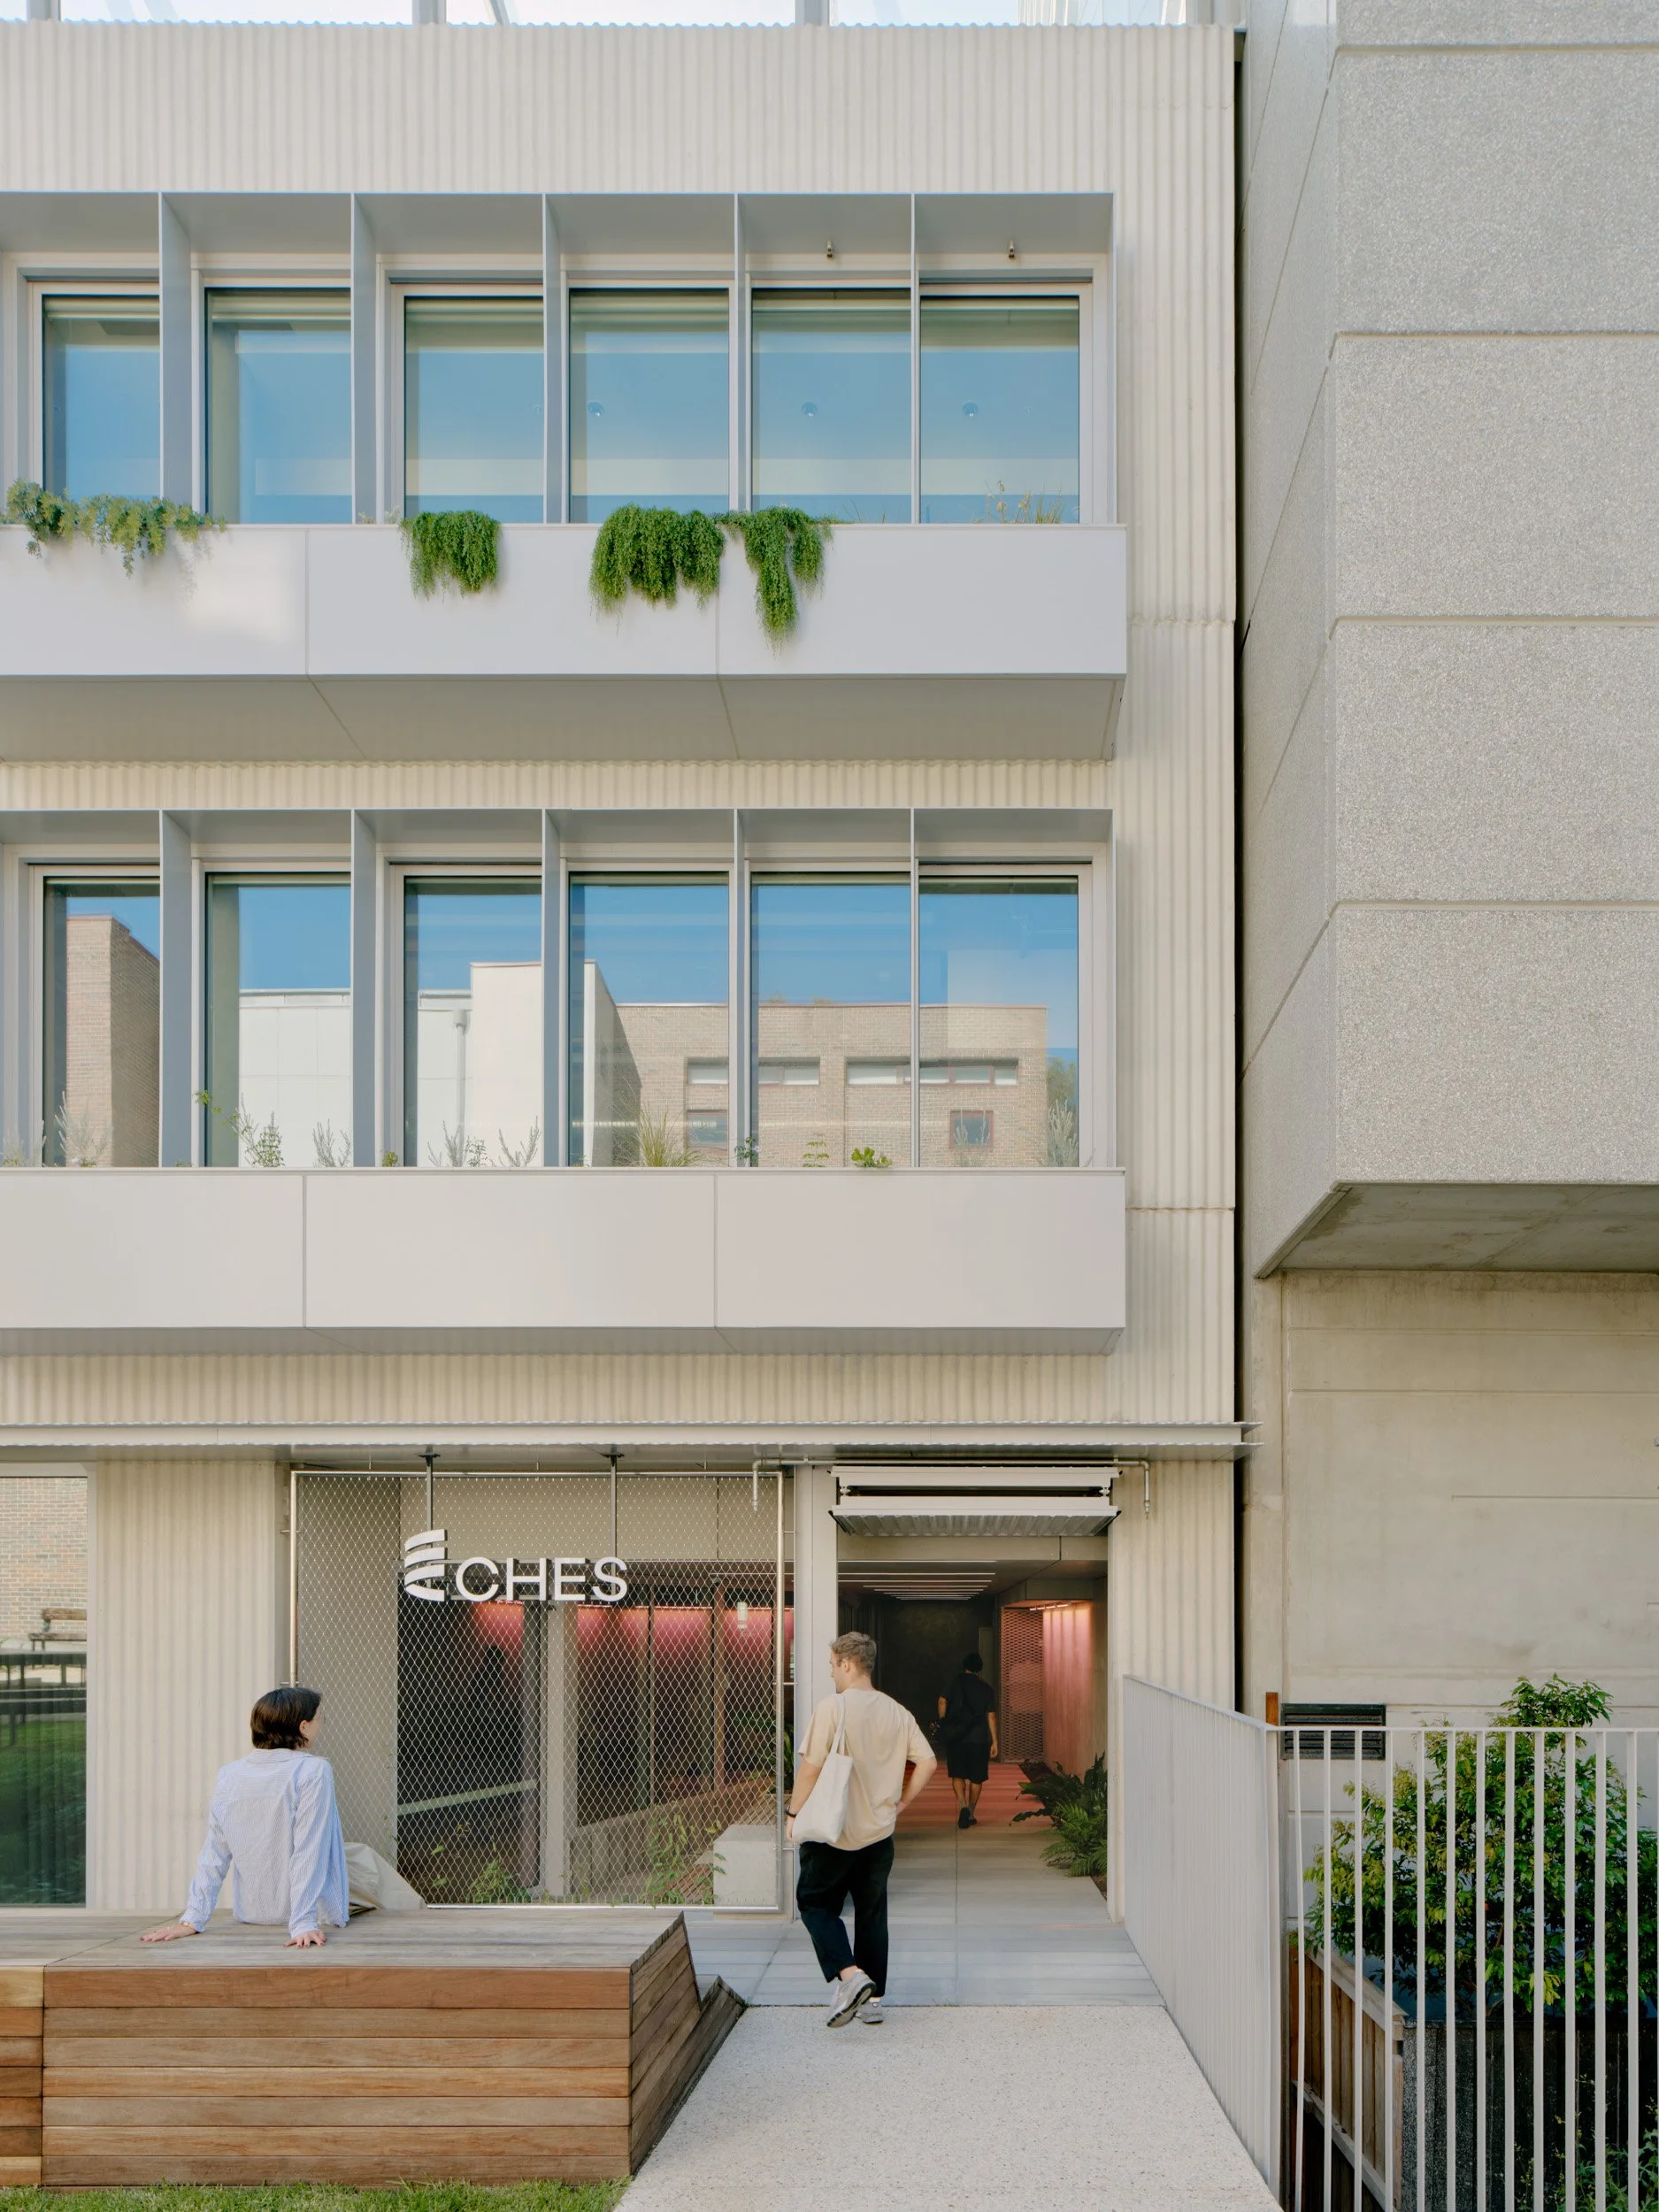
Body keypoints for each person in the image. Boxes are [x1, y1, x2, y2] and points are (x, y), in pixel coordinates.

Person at [787, 1631, 936, 2028]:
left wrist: (793, 1813)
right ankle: (873, 2002)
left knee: (815, 1904)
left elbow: (812, 1767)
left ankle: (851, 1978)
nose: (832, 1674)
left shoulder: (833, 1707)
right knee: (872, 1915)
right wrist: (902, 1803)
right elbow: (928, 1762)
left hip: (835, 1832)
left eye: (833, 1666)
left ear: (848, 1663)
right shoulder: (898, 1712)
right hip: (878, 1834)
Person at [142, 1686, 352, 1947]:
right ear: (304, 1727)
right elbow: (309, 1850)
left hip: (252, 1915)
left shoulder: (229, 1774)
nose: (321, 1726)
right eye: (320, 1719)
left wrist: (193, 1919)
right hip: (314, 1919)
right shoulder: (313, 1770)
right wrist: (302, 1922)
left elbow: (215, 1852)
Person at [936, 1651, 999, 1830]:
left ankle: (962, 1805)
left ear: (964, 1666)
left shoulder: (955, 1682)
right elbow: (992, 1717)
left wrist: (943, 1720)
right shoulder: (987, 1688)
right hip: (979, 1739)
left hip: (957, 1737)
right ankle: (971, 1812)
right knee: (977, 1778)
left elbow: (942, 1701)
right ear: (980, 1668)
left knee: (957, 1775)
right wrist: (995, 1741)